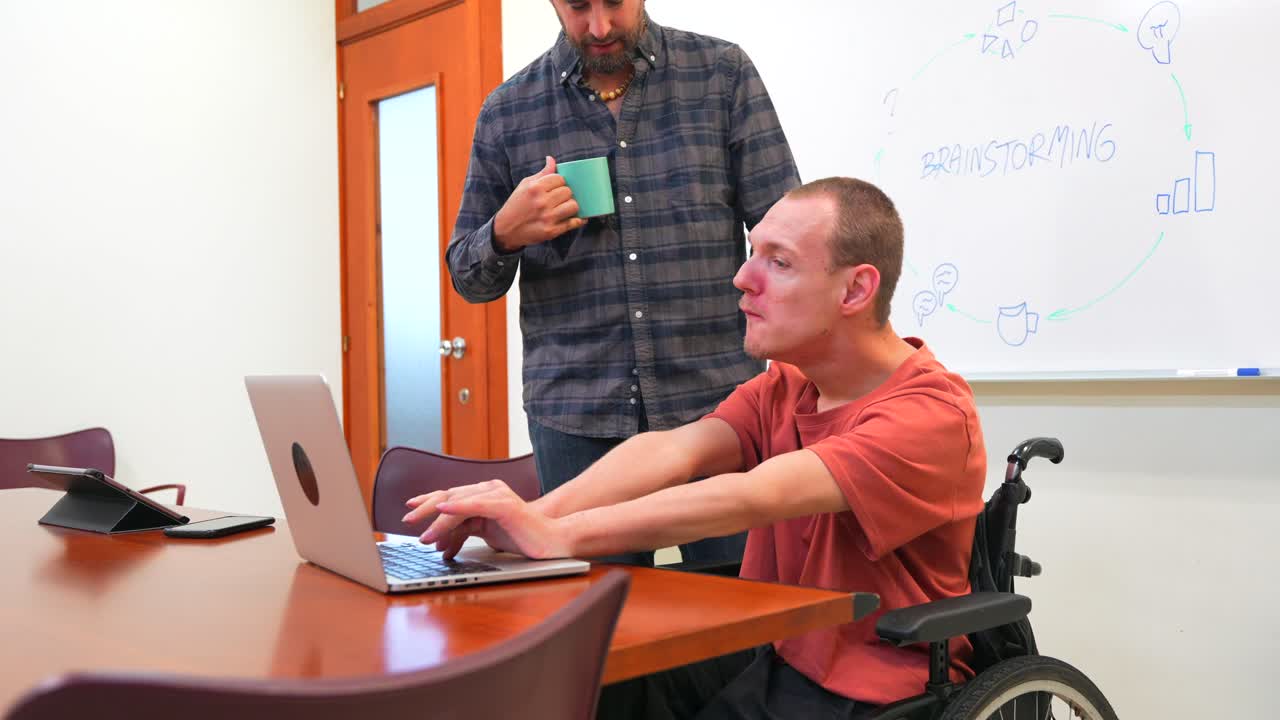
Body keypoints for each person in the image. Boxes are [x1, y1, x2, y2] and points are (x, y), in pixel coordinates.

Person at [412, 177, 989, 717]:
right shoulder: (786, 386)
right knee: (583, 689)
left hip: (868, 682)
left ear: (856, 288)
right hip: (778, 650)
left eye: (778, 262)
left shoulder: (929, 415)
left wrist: (559, 537)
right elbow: (673, 452)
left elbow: (750, 496)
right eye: (753, 252)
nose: (743, 278)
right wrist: (529, 517)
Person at [444, 0, 800, 566]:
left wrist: (806, 370)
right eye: (578, 7)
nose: (600, 27)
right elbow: (468, 277)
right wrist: (505, 232)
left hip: (719, 409)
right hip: (576, 418)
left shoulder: (721, 74)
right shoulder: (508, 111)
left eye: (614, 2)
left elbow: (788, 236)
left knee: (744, 614)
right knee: (597, 625)